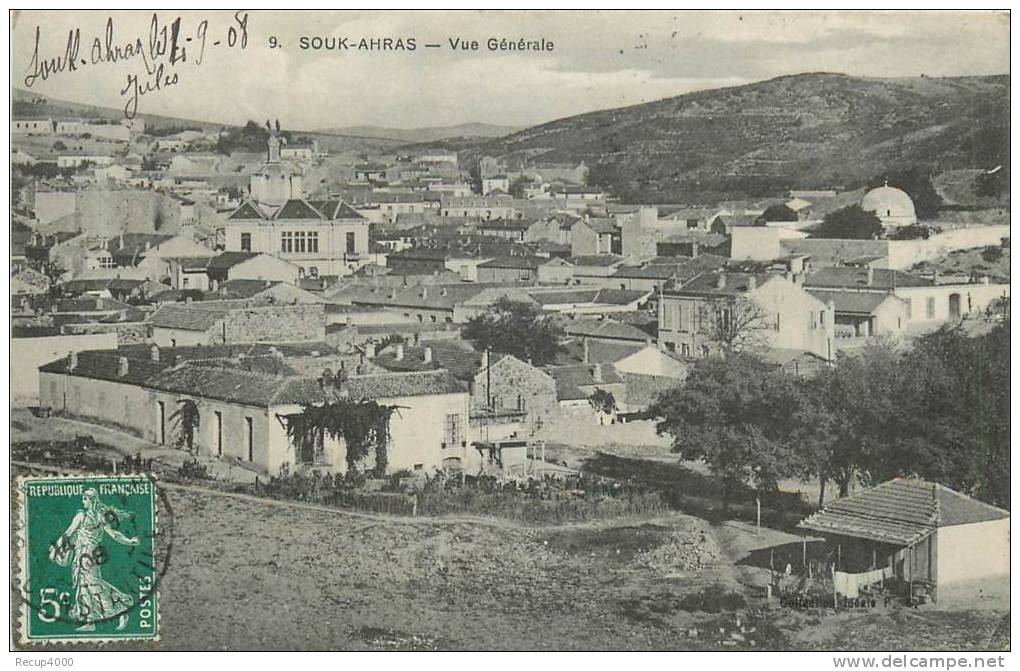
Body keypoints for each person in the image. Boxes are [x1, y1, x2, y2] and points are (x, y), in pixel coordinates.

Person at [52, 489, 138, 631]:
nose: (83, 501)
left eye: (85, 499)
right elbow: (69, 533)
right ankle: (90, 621)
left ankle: (122, 610)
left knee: (93, 583)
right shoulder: (81, 515)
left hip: (90, 555)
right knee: (83, 586)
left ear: (92, 499)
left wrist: (129, 541)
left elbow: (114, 534)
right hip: (80, 553)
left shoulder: (99, 516)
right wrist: (57, 548)